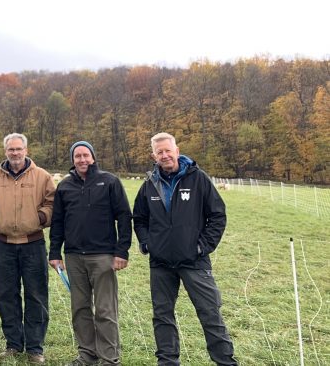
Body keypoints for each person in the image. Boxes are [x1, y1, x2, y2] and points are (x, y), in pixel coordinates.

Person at [133, 133, 237, 365]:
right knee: (162, 316)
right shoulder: (149, 184)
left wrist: (202, 246)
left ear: (177, 151)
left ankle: (225, 362)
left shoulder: (198, 179)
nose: (165, 155)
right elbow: (139, 218)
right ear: (154, 155)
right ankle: (168, 362)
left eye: (168, 150)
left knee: (210, 313)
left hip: (194, 261)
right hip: (160, 263)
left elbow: (217, 215)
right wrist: (147, 243)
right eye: (159, 152)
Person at [49, 141, 133, 366]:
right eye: (78, 156)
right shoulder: (65, 187)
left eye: (86, 155)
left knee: (105, 310)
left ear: (93, 157)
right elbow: (57, 222)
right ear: (72, 160)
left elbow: (124, 217)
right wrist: (54, 253)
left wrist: (121, 251)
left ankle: (108, 358)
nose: (82, 159)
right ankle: (87, 355)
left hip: (103, 256)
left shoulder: (110, 182)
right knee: (80, 309)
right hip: (74, 257)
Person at [0, 133, 55, 364]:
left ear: (26, 150)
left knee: (36, 295)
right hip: (3, 245)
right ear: (5, 152)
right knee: (6, 295)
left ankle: (35, 347)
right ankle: (13, 344)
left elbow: (52, 204)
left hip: (33, 244)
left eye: (18, 149)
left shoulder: (42, 176)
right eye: (10, 149)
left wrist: (40, 217)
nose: (15, 153)